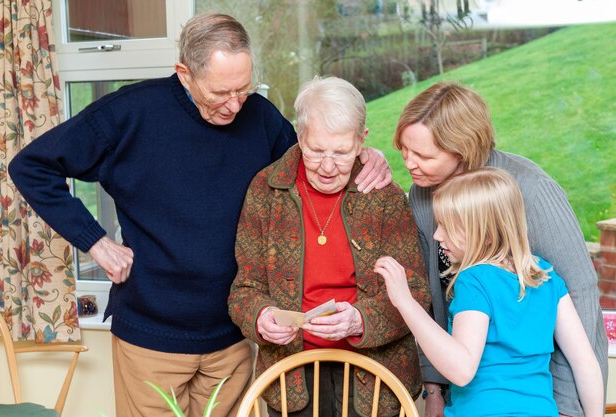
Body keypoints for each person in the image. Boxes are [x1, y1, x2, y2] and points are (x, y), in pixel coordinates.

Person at [7, 13, 392, 417]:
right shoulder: (129, 113)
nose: (234, 104)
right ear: (184, 73)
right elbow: (31, 166)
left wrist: (365, 154)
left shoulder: (258, 116)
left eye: (244, 88)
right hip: (151, 338)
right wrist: (95, 241)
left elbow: (315, 160)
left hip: (232, 339)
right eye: (221, 92)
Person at [391, 81, 608, 417]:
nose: (409, 164)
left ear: (459, 150)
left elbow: (581, 298)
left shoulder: (532, 190)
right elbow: (432, 292)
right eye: (404, 151)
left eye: (423, 155)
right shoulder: (421, 193)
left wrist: (570, 408)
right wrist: (434, 388)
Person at [228, 76, 431, 417]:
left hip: (375, 379)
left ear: (361, 141)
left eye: (341, 153)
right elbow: (243, 289)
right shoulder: (265, 191)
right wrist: (259, 316)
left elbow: (417, 294)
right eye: (316, 150)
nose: (326, 167)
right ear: (299, 135)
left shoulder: (384, 196)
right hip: (291, 377)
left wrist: (360, 320)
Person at [375, 168, 604, 417]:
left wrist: (405, 302)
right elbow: (586, 363)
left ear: (480, 232)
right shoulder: (546, 275)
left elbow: (461, 369)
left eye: (446, 226)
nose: (437, 235)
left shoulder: (474, 280)